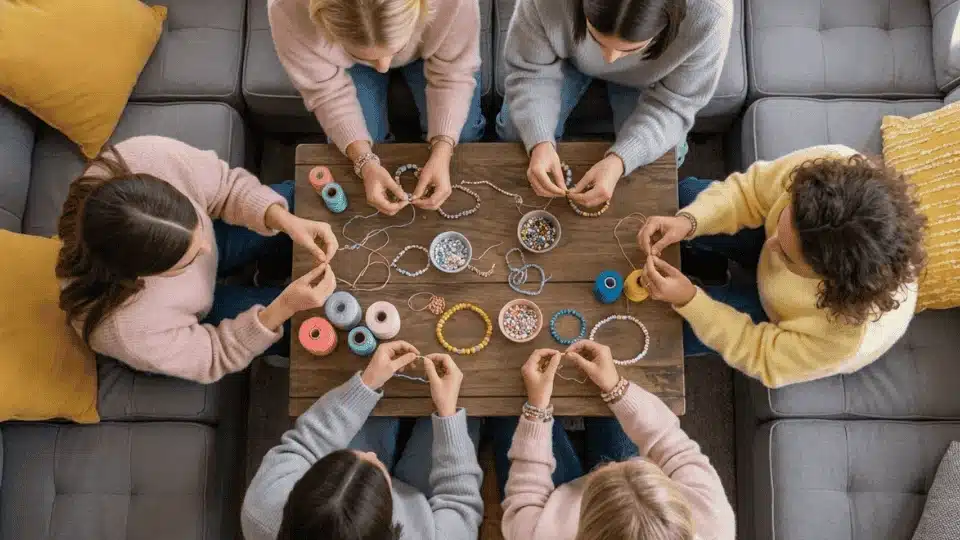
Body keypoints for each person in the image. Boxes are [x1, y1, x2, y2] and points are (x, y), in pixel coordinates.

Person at [637, 145, 927, 388]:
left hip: (786, 317)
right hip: (802, 260)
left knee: (672, 328)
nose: (770, 246)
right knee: (686, 198)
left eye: (787, 257)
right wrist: (690, 222)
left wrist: (691, 301)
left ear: (826, 279)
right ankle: (709, 267)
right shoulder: (826, 174)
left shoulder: (842, 337)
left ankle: (708, 280)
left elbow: (759, 353)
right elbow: (750, 191)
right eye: (783, 221)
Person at [56, 135, 339, 384]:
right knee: (310, 320)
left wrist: (286, 221)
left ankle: (270, 265)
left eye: (197, 226)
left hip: (182, 270)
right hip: (190, 316)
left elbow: (227, 188)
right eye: (186, 261)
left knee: (300, 200)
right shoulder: (125, 328)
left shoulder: (143, 157)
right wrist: (284, 306)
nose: (206, 246)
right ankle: (270, 286)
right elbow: (214, 355)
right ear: (142, 275)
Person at [490, 341, 735, 540]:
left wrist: (535, 410)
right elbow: (669, 443)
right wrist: (616, 388)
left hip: (549, 512)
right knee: (613, 400)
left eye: (608, 472)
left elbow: (525, 498)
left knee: (506, 406)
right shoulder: (713, 519)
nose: (609, 465)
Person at [498, 0, 732, 207]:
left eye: (630, 49)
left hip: (650, 80)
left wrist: (621, 160)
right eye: (595, 37)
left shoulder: (711, 16)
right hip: (565, 59)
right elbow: (529, 70)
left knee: (659, 164)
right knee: (516, 132)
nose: (608, 59)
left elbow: (675, 105)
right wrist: (540, 142)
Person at [242, 341, 484, 540]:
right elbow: (460, 501)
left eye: (349, 457)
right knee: (466, 401)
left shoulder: (263, 508)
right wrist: (449, 416)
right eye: (374, 466)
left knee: (369, 393)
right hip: (425, 509)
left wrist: (366, 384)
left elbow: (307, 443)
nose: (369, 454)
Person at [269, 0, 486, 215]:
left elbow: (454, 72)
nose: (383, 67)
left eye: (396, 49)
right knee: (354, 153)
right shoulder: (286, 7)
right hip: (349, 66)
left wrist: (443, 148)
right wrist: (364, 161)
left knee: (464, 136)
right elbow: (325, 91)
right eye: (367, 55)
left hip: (431, 46)